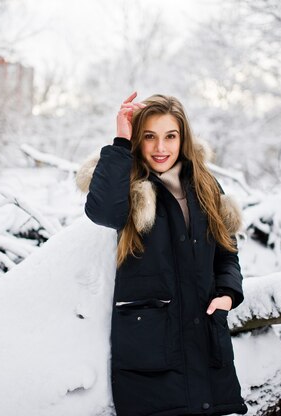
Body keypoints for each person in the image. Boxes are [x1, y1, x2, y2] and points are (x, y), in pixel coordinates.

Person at [77, 92, 248, 416]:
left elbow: (227, 251)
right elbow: (103, 213)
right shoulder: (131, 184)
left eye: (170, 136)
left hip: (207, 344)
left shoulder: (206, 185)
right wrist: (120, 140)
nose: (160, 148)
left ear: (183, 138)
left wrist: (227, 294)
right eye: (149, 136)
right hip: (151, 353)